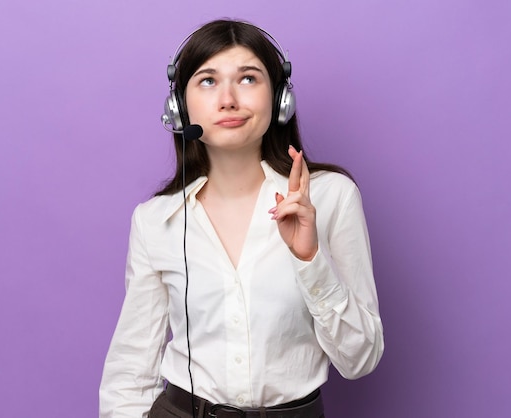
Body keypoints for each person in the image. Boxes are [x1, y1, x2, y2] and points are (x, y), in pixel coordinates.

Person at [99, 19, 384, 418]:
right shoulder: (155, 220)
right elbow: (129, 370)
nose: (228, 99)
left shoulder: (331, 196)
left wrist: (310, 260)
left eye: (248, 79)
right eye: (208, 81)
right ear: (180, 107)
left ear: (281, 98)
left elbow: (360, 359)